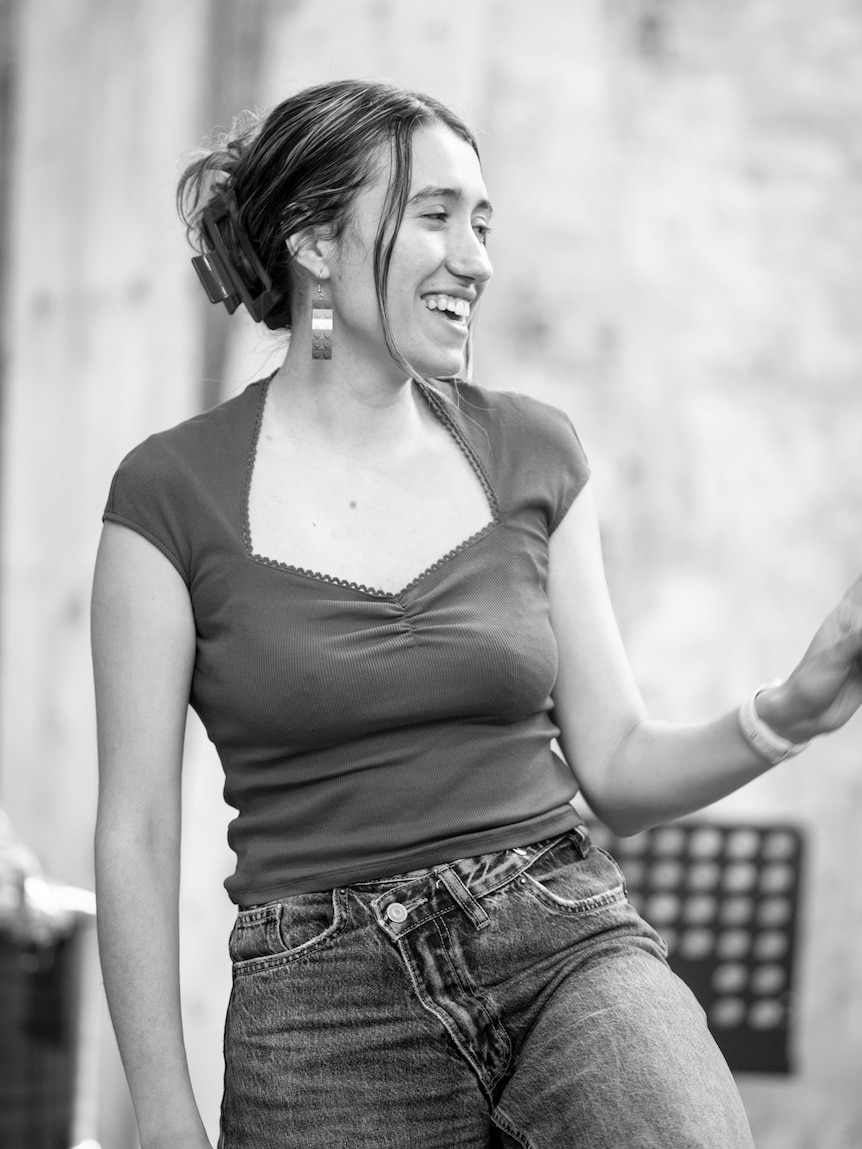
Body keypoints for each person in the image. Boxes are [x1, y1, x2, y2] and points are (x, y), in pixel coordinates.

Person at [92, 78, 862, 1149]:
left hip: (560, 942)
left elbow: (620, 767)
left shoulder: (533, 452)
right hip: (320, 1005)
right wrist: (165, 1124)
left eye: (484, 222)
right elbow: (134, 832)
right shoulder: (169, 495)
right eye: (437, 215)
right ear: (315, 240)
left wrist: (794, 709)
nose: (477, 259)